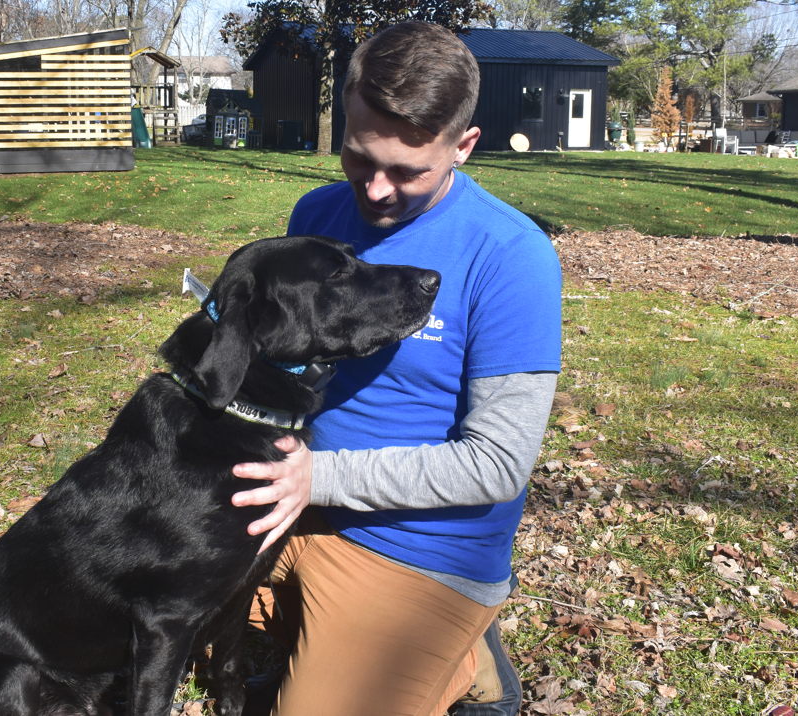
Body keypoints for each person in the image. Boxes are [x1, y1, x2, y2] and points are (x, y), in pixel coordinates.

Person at [230, 21, 562, 716]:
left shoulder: (510, 254)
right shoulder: (317, 212)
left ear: (463, 146)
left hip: (418, 545)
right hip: (299, 503)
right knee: (146, 604)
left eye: (407, 170)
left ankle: (460, 653)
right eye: (358, 157)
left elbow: (497, 464)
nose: (375, 191)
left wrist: (320, 476)